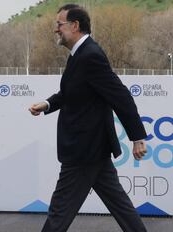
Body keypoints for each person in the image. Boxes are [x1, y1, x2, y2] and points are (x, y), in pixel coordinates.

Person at [28, 4, 148, 232]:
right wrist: (47, 104)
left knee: (59, 212)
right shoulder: (79, 55)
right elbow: (72, 93)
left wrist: (138, 137)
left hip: (83, 151)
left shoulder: (90, 56)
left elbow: (120, 95)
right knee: (121, 206)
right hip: (94, 149)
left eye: (59, 24)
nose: (56, 29)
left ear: (75, 26)